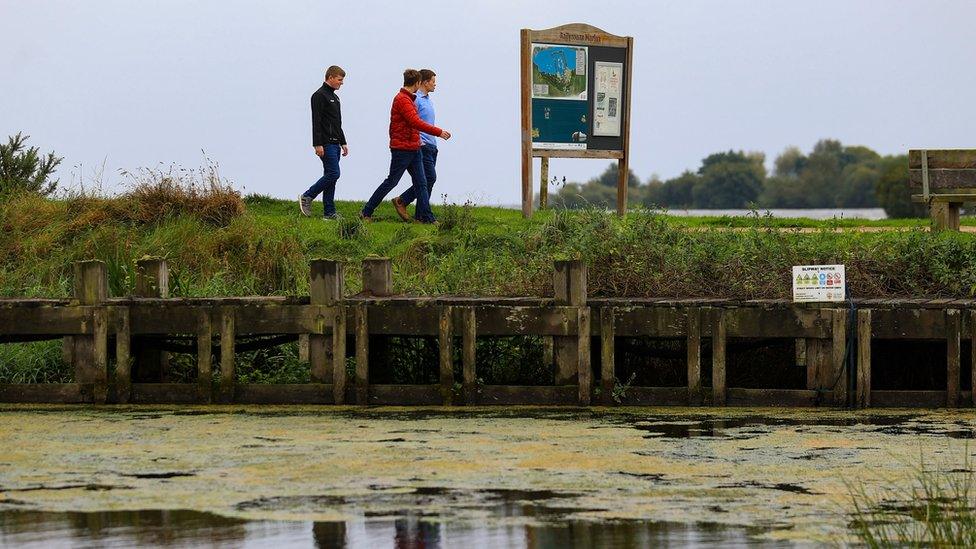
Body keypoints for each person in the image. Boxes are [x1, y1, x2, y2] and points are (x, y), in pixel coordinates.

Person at [360, 69, 451, 223]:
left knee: (422, 183)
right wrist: (439, 132)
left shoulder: (409, 98)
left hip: (414, 148)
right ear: (417, 83)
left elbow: (411, 125)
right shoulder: (402, 99)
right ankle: (366, 212)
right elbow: (415, 122)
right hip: (402, 149)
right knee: (392, 181)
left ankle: (428, 219)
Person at [300, 65, 348, 219]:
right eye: (340, 80)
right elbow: (317, 121)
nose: (342, 83)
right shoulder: (319, 95)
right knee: (334, 173)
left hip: (335, 143)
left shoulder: (336, 97)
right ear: (330, 77)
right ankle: (307, 196)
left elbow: (337, 123)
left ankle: (329, 212)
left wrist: (343, 142)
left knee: (331, 176)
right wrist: (317, 144)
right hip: (325, 143)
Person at [392, 69, 439, 222]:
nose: (435, 84)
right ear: (424, 82)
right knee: (428, 179)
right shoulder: (416, 99)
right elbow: (413, 122)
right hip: (422, 145)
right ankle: (409, 205)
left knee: (425, 181)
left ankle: (418, 213)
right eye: (433, 81)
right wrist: (419, 140)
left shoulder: (427, 99)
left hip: (432, 145)